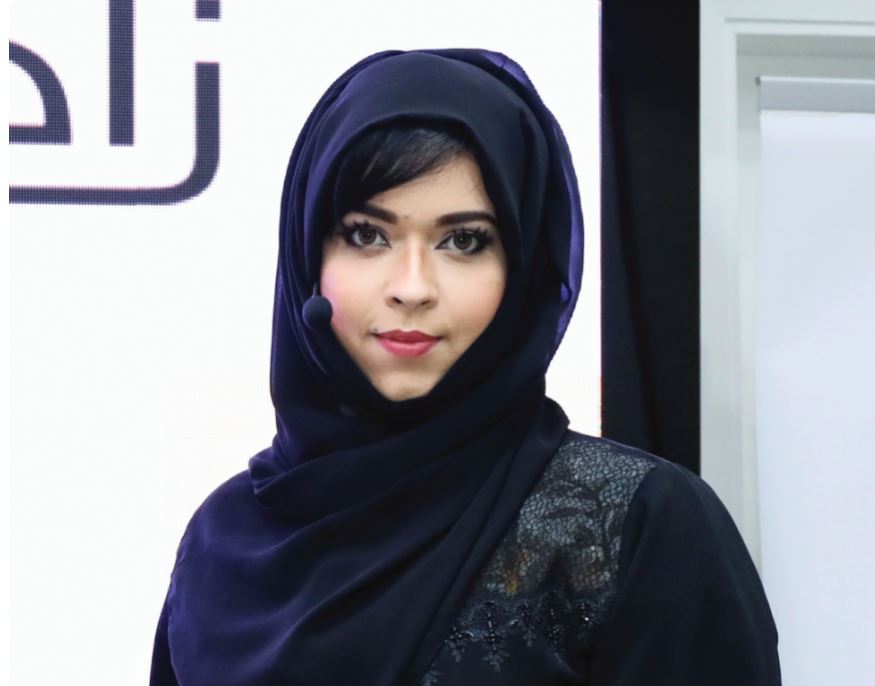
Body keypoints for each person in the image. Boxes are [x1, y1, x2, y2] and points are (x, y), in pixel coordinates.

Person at [149, 48, 781, 685]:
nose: (412, 287)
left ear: (522, 269)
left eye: (463, 241)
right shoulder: (224, 540)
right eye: (367, 235)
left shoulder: (633, 526)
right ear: (308, 257)